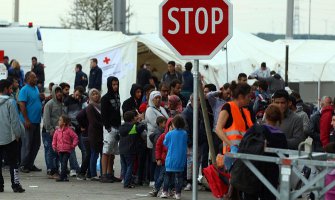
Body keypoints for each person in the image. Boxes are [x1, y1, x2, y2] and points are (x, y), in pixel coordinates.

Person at [238, 105, 288, 200]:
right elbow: (285, 156)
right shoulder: (281, 136)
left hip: (252, 168)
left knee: (250, 196)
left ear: (266, 115)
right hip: (271, 171)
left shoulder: (255, 129)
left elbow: (242, 145)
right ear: (279, 118)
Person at [215, 82, 253, 170]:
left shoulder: (245, 111)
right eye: (248, 96)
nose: (250, 99)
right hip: (231, 154)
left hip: (242, 153)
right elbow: (218, 129)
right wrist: (231, 145)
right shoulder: (228, 107)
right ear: (240, 97)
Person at [0, 79, 25, 193]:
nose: (11, 90)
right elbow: (14, 121)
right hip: (10, 138)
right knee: (13, 163)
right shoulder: (11, 102)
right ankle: (15, 185)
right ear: (5, 89)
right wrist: (18, 134)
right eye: (10, 88)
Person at [19, 72, 43, 173]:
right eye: (33, 77)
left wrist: (42, 98)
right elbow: (22, 105)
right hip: (28, 122)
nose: (36, 79)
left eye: (36, 77)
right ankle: (23, 165)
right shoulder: (24, 90)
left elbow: (35, 102)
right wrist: (26, 120)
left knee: (36, 144)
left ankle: (30, 163)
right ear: (28, 78)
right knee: (27, 144)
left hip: (36, 121)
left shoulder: (36, 88)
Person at [182, 93, 206, 190]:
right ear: (192, 101)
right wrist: (189, 141)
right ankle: (189, 181)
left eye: (200, 100)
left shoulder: (199, 111)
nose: (199, 102)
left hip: (199, 140)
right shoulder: (187, 112)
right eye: (198, 100)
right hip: (191, 141)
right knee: (190, 162)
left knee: (197, 161)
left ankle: (194, 180)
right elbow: (185, 128)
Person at [160, 115, 188, 200]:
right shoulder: (184, 133)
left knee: (167, 176)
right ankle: (178, 193)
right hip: (181, 159)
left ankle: (165, 192)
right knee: (179, 177)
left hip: (171, 158)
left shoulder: (170, 133)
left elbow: (165, 143)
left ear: (174, 124)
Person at [145, 91, 169, 187]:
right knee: (153, 160)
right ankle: (151, 179)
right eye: (156, 98)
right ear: (151, 99)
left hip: (163, 136)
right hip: (154, 137)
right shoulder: (149, 110)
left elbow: (167, 119)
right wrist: (165, 125)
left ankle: (158, 178)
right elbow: (155, 123)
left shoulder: (162, 109)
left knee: (159, 159)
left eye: (159, 98)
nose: (158, 100)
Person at [101, 76, 122, 183]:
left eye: (117, 84)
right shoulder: (105, 98)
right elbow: (104, 114)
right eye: (113, 84)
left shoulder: (117, 96)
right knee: (106, 151)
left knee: (112, 152)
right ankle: (103, 174)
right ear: (109, 85)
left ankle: (110, 173)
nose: (115, 86)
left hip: (117, 126)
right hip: (109, 128)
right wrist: (108, 127)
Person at [119, 111, 146, 188]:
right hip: (130, 149)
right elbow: (142, 126)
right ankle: (127, 183)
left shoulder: (121, 127)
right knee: (130, 166)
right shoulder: (133, 127)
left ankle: (125, 180)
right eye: (135, 117)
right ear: (132, 118)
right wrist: (141, 119)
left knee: (124, 166)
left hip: (122, 149)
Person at [43, 85, 66, 178]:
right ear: (53, 93)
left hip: (59, 132)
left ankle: (56, 169)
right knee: (50, 151)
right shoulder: (49, 104)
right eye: (57, 92)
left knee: (57, 151)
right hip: (49, 131)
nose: (59, 93)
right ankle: (51, 171)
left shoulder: (62, 103)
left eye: (60, 91)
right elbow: (46, 119)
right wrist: (51, 130)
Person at [64, 86, 87, 176]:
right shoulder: (67, 100)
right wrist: (69, 126)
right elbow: (65, 114)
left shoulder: (83, 100)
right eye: (76, 95)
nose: (77, 97)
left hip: (81, 126)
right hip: (72, 126)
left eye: (79, 96)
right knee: (71, 148)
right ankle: (74, 168)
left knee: (84, 148)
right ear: (74, 92)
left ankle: (84, 168)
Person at [149, 118, 173, 197]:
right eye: (171, 127)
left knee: (171, 177)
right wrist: (158, 158)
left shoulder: (176, 136)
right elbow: (158, 148)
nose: (172, 129)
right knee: (162, 176)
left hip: (172, 161)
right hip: (164, 160)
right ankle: (156, 189)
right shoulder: (163, 136)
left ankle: (168, 190)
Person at [52, 115, 79, 182]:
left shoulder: (69, 130)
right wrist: (54, 146)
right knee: (62, 163)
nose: (58, 121)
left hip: (67, 150)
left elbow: (75, 137)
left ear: (64, 123)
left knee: (64, 162)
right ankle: (65, 177)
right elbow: (54, 139)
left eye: (60, 120)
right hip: (59, 150)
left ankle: (62, 176)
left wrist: (73, 145)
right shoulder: (57, 131)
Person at [86, 89, 103, 181]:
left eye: (97, 94)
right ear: (90, 96)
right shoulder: (90, 107)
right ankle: (93, 174)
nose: (95, 96)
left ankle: (103, 173)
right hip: (94, 134)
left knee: (102, 153)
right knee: (94, 153)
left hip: (102, 133)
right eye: (93, 94)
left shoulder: (102, 105)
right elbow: (93, 122)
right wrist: (103, 125)